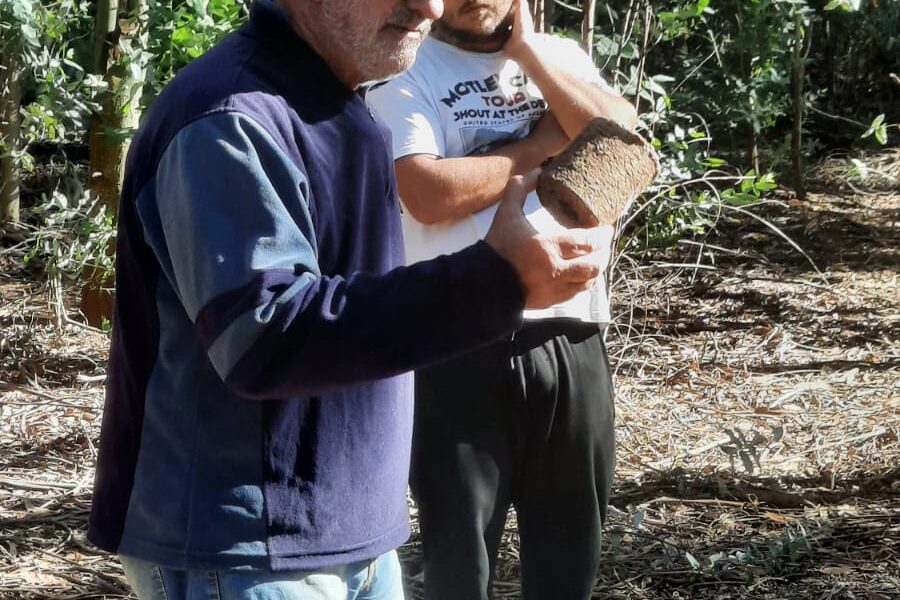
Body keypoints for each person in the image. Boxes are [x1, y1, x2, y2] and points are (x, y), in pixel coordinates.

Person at [86, 0, 606, 598]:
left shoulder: (338, 94)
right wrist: (496, 280)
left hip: (352, 540)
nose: (430, 7)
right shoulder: (228, 118)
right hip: (246, 551)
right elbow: (265, 337)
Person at [367, 0, 638, 598]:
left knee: (570, 556)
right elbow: (428, 191)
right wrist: (542, 146)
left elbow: (621, 144)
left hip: (571, 335)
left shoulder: (560, 58)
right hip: (456, 339)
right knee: (458, 560)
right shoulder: (402, 61)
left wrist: (530, 54)